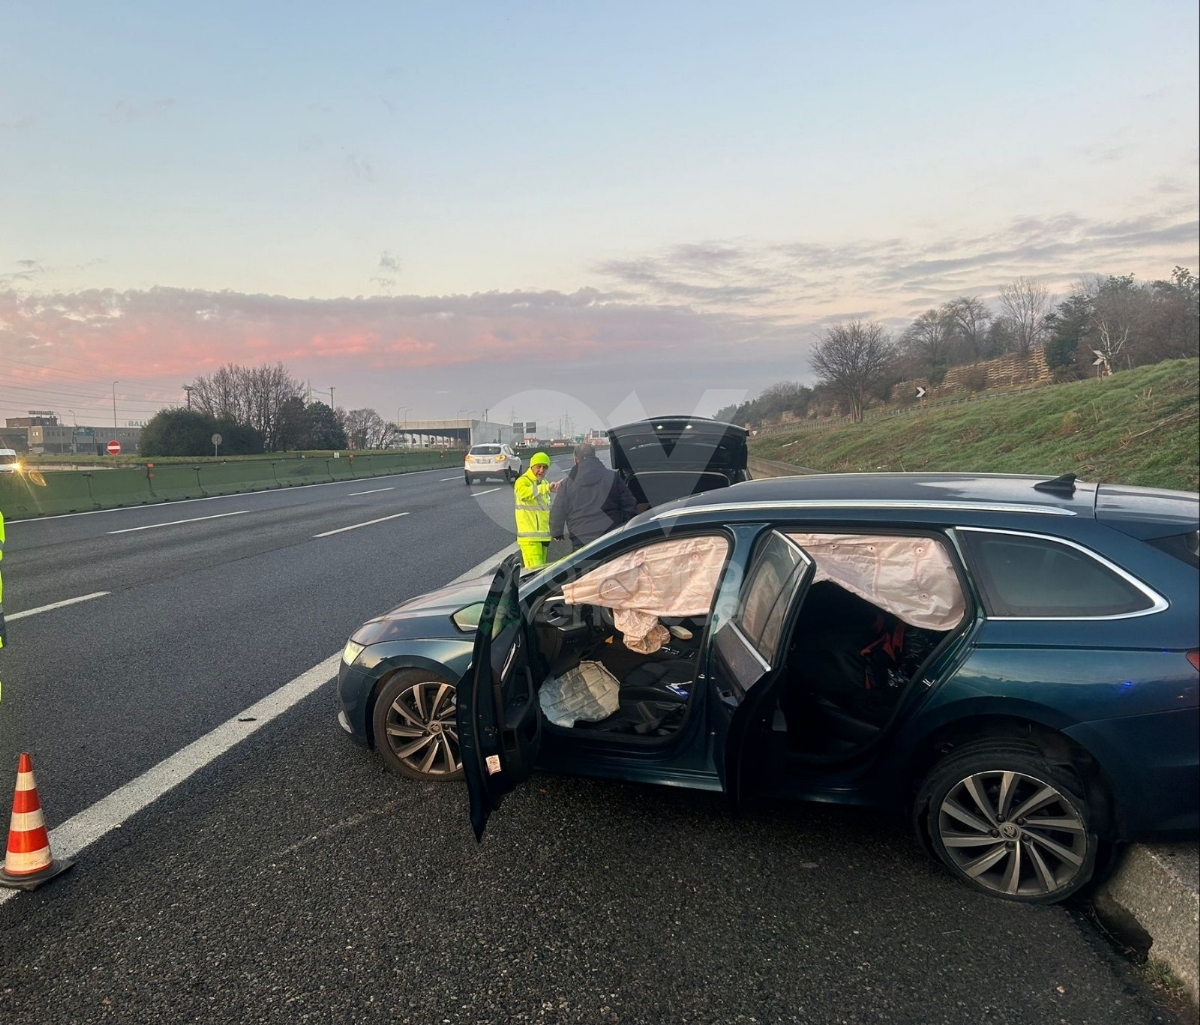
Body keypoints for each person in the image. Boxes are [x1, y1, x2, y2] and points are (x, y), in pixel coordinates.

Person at [550, 442, 636, 550]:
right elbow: (629, 504)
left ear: (576, 460)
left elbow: (558, 510)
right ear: (594, 456)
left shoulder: (566, 484)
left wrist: (556, 532)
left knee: (584, 566)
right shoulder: (613, 477)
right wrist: (623, 525)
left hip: (580, 539)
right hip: (610, 537)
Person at [513, 451, 557, 568]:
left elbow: (545, 510)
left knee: (541, 574)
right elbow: (524, 494)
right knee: (535, 576)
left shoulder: (543, 482)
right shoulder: (522, 481)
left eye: (545, 467)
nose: (541, 470)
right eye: (538, 467)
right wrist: (546, 488)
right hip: (530, 539)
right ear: (531, 466)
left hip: (543, 537)